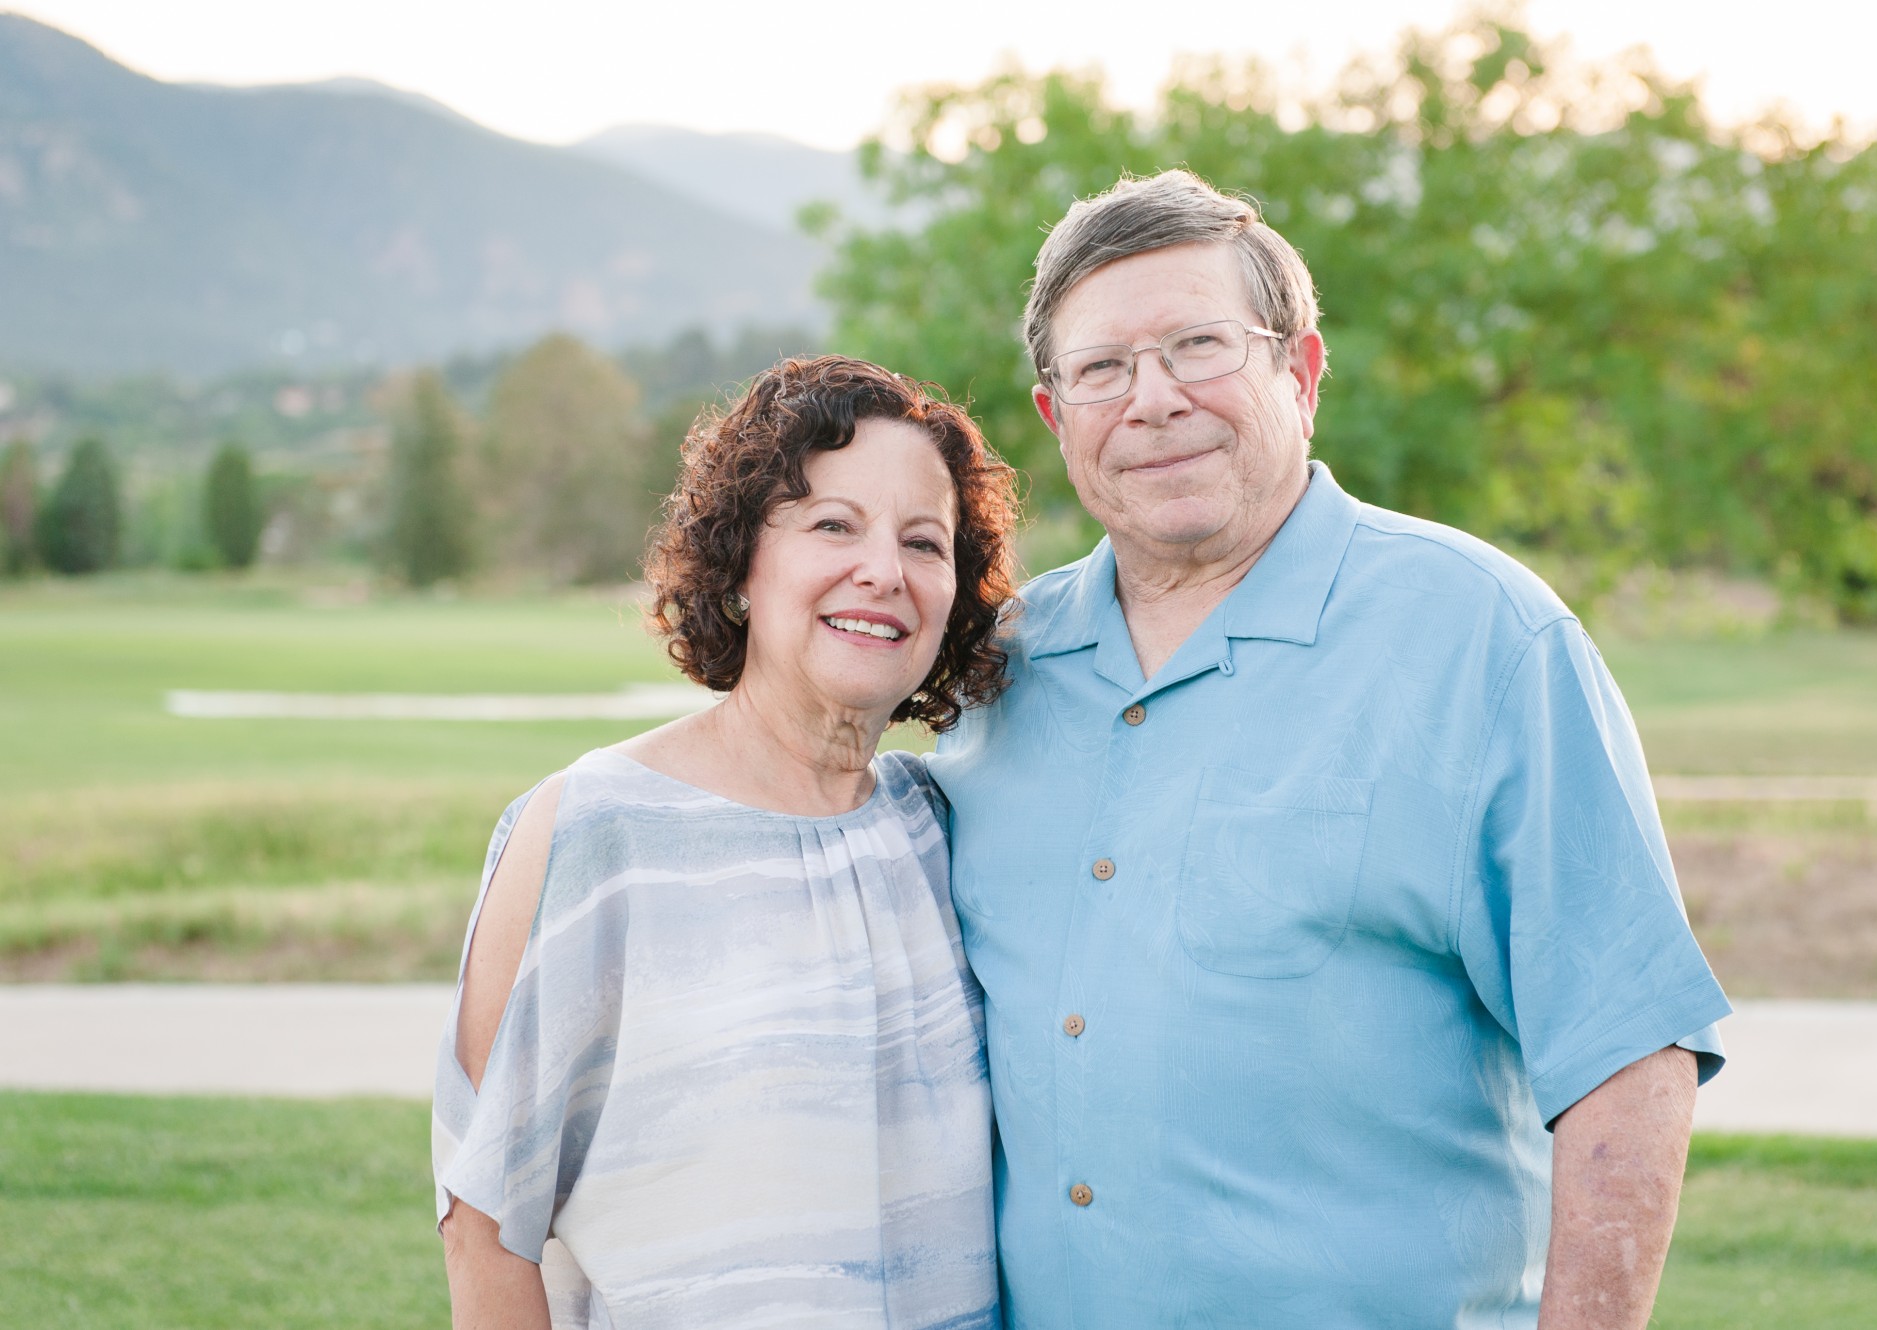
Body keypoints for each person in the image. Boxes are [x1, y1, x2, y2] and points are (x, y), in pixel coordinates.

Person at [926, 170, 1732, 1328]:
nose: (1150, 400)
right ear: (1058, 420)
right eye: (1101, 368)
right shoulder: (998, 670)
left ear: (1298, 372)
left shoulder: (1481, 638)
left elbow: (1625, 1061)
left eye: (1198, 346)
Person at [432, 355, 1018, 1329]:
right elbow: (485, 1224)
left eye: (925, 541)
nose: (883, 569)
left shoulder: (935, 829)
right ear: (742, 562)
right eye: (833, 524)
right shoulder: (593, 831)